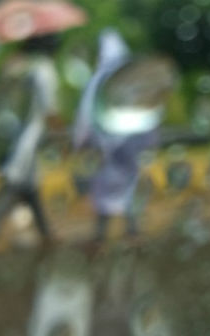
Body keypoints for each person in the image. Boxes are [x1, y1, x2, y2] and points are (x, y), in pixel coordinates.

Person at [72, 29, 161, 241]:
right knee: (129, 187)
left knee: (104, 190)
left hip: (104, 146)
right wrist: (150, 142)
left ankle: (102, 236)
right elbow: (149, 111)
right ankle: (132, 232)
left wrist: (81, 142)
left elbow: (85, 115)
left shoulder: (97, 80)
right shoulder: (131, 77)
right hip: (130, 147)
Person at [0, 34, 60, 244]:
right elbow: (50, 110)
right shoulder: (45, 69)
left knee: (30, 188)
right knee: (14, 186)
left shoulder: (20, 67)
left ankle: (46, 233)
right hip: (29, 138)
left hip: (12, 134)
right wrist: (60, 135)